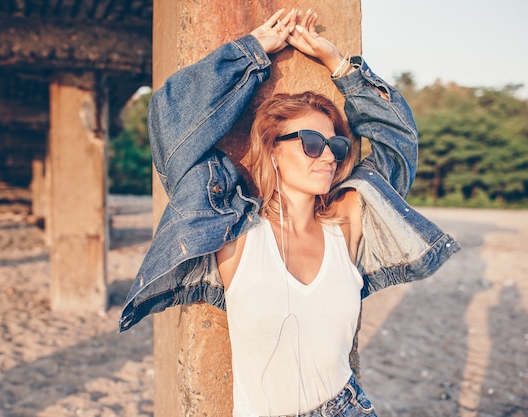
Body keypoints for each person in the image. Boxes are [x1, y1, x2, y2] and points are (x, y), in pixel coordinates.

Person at [119, 8, 460, 417]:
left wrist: (342, 67)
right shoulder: (232, 227)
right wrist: (250, 53)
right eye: (311, 142)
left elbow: (398, 145)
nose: (328, 157)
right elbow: (169, 122)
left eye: (336, 147)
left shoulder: (346, 223)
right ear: (273, 149)